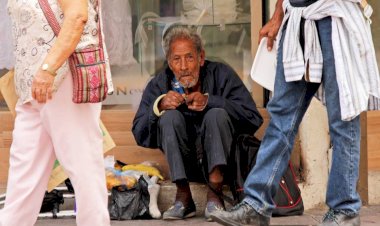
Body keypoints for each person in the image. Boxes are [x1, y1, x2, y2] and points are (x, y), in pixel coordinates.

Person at [210, 0, 380, 226]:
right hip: (298, 18)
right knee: (281, 118)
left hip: (335, 17)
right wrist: (278, 13)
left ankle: (344, 210)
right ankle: (256, 204)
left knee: (343, 120)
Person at [132, 25, 263, 221]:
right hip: (185, 167)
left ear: (201, 58)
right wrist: (158, 106)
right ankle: (183, 197)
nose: (183, 66)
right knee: (169, 117)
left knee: (215, 114)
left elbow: (254, 118)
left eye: (189, 57)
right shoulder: (160, 83)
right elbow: (139, 133)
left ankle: (215, 194)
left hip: (222, 164)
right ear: (169, 63)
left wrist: (210, 101)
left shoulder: (221, 74)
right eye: (176, 59)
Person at [0, 0, 112, 226]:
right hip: (34, 89)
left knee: (84, 170)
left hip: (62, 82)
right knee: (24, 177)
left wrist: (48, 68)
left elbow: (77, 16)